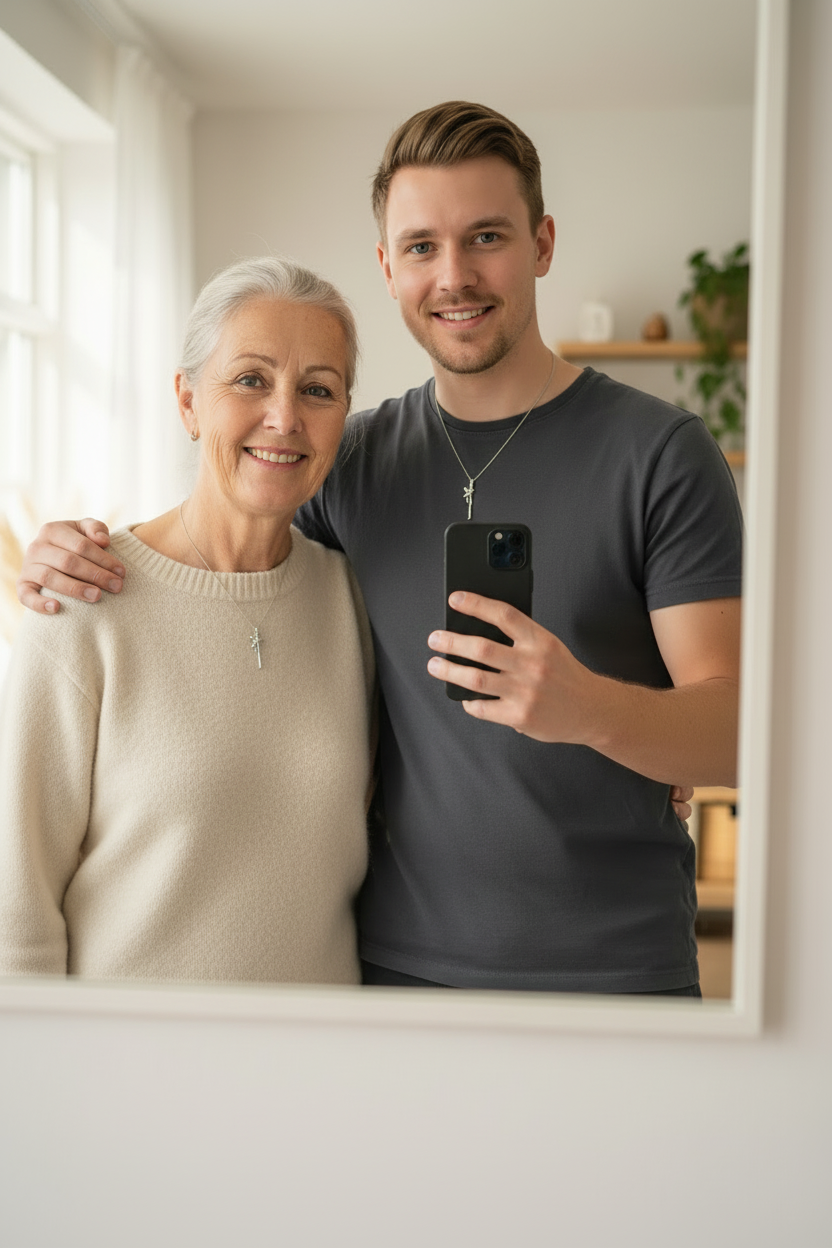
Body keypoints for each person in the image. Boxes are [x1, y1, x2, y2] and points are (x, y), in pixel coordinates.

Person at [16, 101, 741, 996]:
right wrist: (69, 553)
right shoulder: (348, 461)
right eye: (422, 247)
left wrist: (592, 710)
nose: (455, 276)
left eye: (487, 237)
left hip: (618, 971)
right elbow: (225, 567)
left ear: (543, 243)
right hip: (395, 979)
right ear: (389, 267)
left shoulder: (661, 454)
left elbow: (740, 734)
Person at [0, 256, 375, 985]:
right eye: (250, 380)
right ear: (187, 402)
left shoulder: (349, 599)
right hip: (132, 1074)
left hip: (322, 1069)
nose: (285, 417)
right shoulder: (82, 604)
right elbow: (15, 901)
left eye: (318, 390)